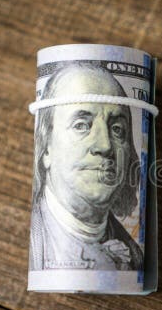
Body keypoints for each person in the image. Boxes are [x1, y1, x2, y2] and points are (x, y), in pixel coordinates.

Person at [30, 62, 143, 271]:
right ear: (46, 149)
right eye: (81, 125)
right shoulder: (36, 245)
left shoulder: (135, 256)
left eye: (117, 129)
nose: (105, 145)